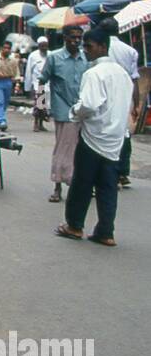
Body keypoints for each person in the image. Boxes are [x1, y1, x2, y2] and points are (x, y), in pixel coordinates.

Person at [56, 24, 133, 246]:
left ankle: (74, 225)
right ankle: (106, 231)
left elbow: (88, 104)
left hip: (93, 137)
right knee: (108, 187)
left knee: (82, 183)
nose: (85, 50)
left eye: (88, 46)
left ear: (102, 46)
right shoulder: (123, 74)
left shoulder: (94, 73)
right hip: (115, 138)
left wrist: (74, 112)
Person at [38, 24, 89, 203]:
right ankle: (58, 186)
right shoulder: (54, 58)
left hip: (83, 110)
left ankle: (79, 185)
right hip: (64, 111)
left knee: (81, 150)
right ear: (65, 38)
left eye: (79, 38)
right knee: (64, 149)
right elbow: (42, 81)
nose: (76, 41)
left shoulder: (85, 58)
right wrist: (40, 106)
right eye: (73, 37)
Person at [100, 16, 140, 188]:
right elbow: (135, 79)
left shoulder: (99, 48)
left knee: (104, 133)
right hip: (124, 96)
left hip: (103, 95)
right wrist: (136, 104)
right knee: (123, 133)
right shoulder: (130, 51)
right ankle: (122, 172)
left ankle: (110, 172)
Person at [0, 40, 20, 132]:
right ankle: (1, 120)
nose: (7, 50)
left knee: (5, 102)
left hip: (8, 82)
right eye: (5, 48)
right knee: (0, 101)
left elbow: (16, 73)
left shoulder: (13, 60)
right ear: (1, 48)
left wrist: (17, 84)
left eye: (9, 48)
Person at [24, 36, 51, 131]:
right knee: (39, 105)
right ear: (39, 46)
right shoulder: (33, 56)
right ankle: (36, 123)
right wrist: (27, 87)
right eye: (42, 46)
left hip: (49, 86)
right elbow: (28, 71)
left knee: (45, 106)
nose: (44, 48)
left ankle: (41, 124)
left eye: (46, 46)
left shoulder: (51, 55)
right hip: (38, 85)